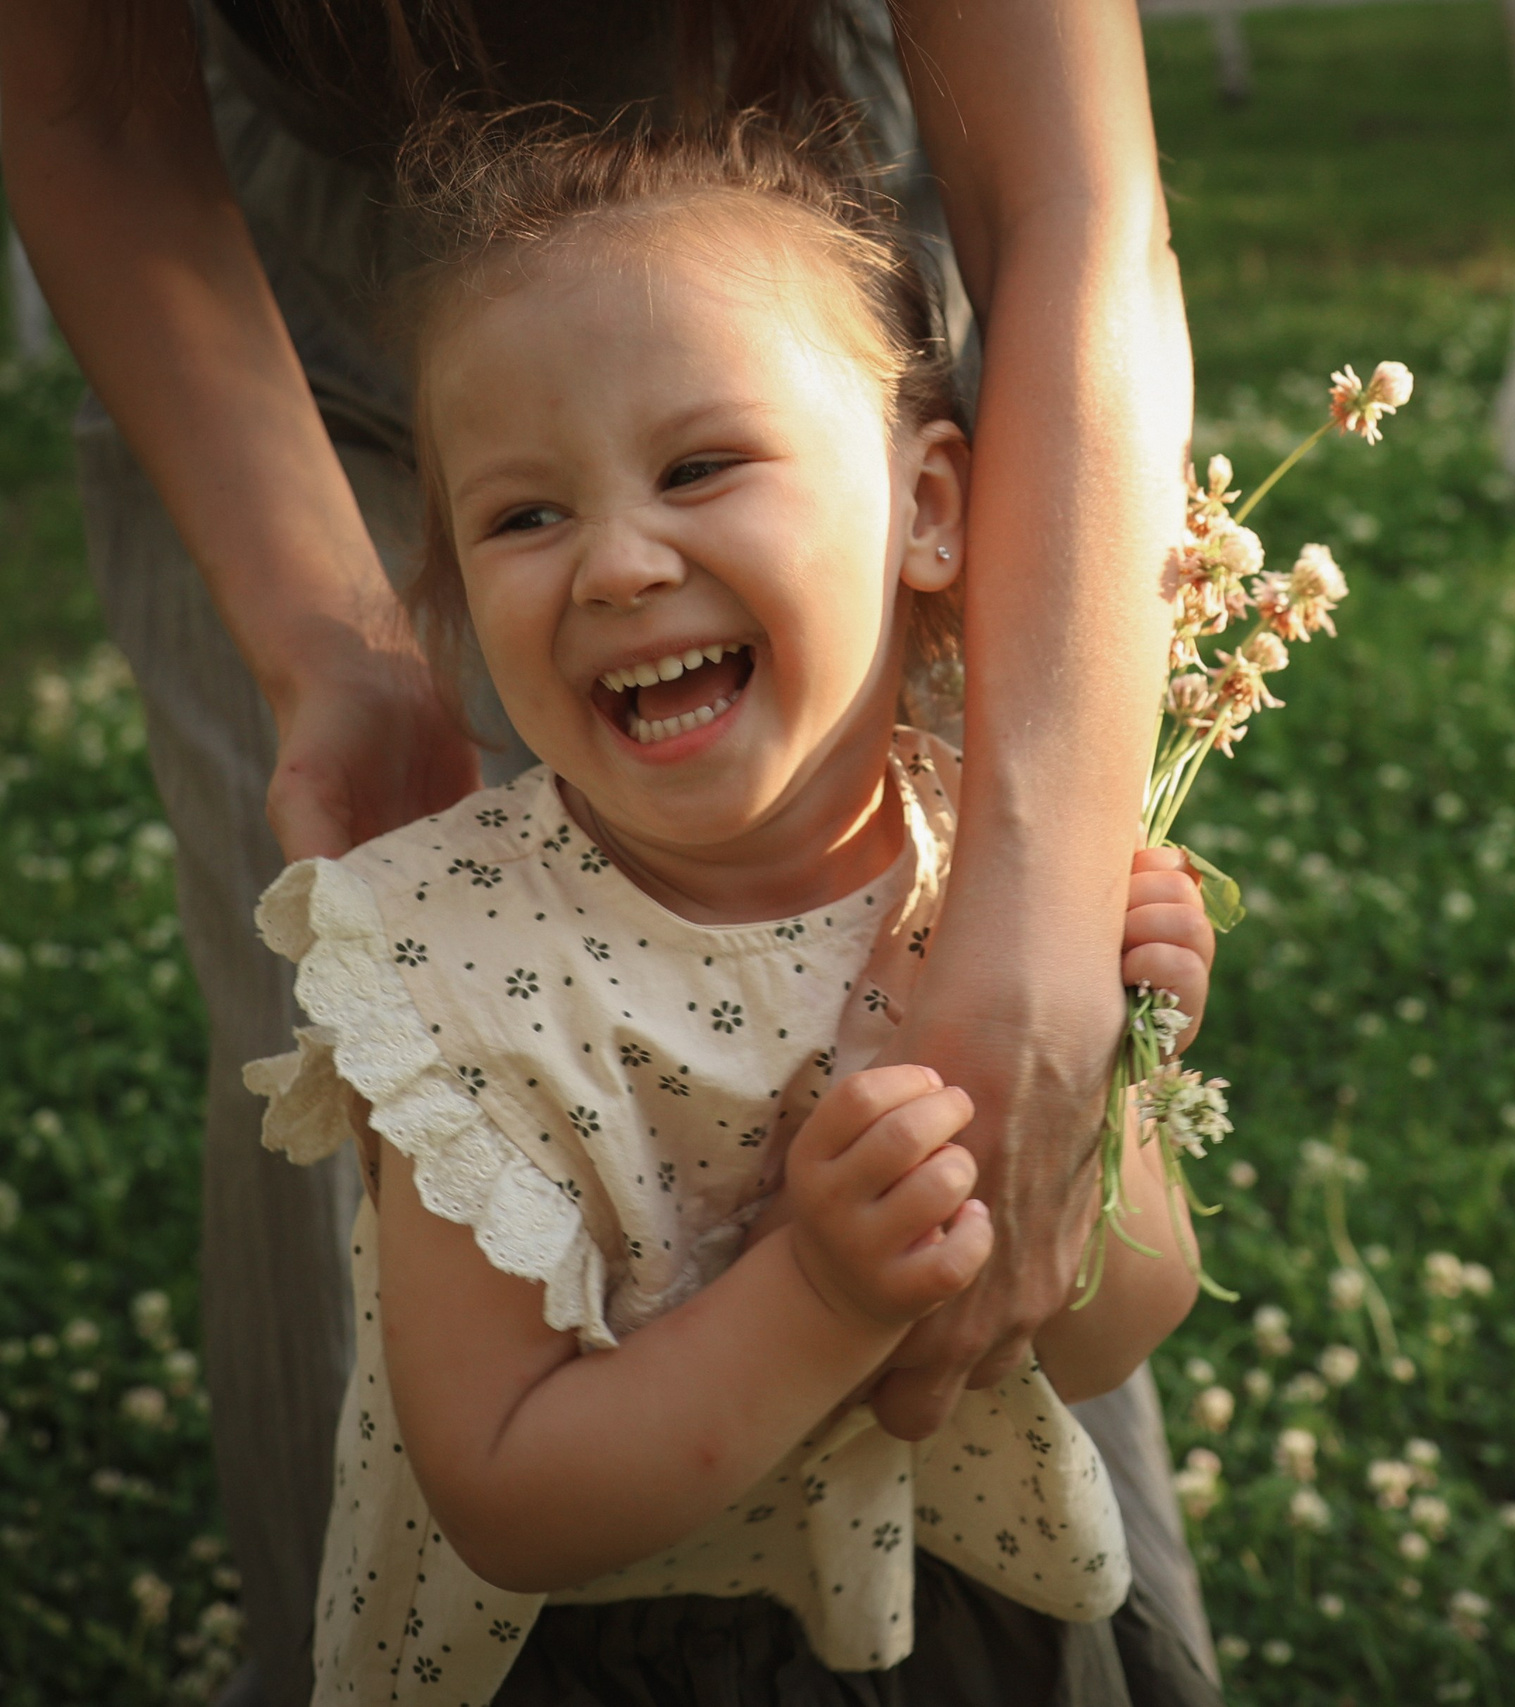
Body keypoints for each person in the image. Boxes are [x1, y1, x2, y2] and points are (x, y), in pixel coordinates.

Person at [0, 4, 1208, 1701]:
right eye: (522, 517)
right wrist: (824, 1296)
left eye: (703, 470)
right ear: (440, 576)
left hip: (967, 1627)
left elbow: (1104, 1321)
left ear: (932, 505)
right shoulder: (449, 972)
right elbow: (501, 1496)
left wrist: (1092, 1046)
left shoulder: (943, 862)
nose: (624, 565)